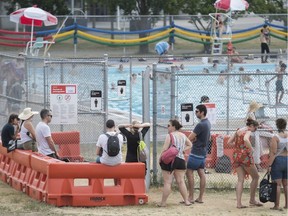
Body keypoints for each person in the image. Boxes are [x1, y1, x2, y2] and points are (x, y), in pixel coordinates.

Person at [227, 118, 263, 208]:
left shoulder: (238, 130)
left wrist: (238, 147)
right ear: (251, 126)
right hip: (245, 156)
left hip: (236, 155)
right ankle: (252, 200)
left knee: (240, 180)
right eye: (255, 128)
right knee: (256, 177)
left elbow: (229, 142)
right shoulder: (248, 131)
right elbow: (246, 139)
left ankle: (239, 203)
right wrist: (251, 149)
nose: (254, 130)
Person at [158, 119, 192, 207]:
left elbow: (165, 149)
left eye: (169, 125)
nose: (167, 127)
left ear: (173, 126)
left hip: (171, 160)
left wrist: (160, 158)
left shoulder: (170, 136)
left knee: (168, 182)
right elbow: (190, 144)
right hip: (181, 160)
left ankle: (163, 203)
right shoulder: (183, 135)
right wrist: (182, 150)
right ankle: (186, 201)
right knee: (181, 181)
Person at [186, 104, 211, 203]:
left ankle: (191, 197)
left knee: (189, 172)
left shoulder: (200, 125)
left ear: (202, 112)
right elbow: (208, 138)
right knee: (201, 173)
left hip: (196, 152)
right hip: (203, 153)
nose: (195, 113)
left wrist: (194, 139)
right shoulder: (208, 123)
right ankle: (200, 198)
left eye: (197, 111)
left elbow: (189, 138)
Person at [267, 118, 288, 210]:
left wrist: (269, 165)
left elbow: (273, 153)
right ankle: (287, 205)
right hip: (287, 159)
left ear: (277, 126)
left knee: (277, 185)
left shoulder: (275, 137)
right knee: (286, 185)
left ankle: (277, 205)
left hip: (278, 161)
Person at [246, 101, 264, 172]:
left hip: (252, 132)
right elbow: (253, 124)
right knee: (256, 148)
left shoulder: (249, 113)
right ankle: (256, 164)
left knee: (256, 148)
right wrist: (259, 125)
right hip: (253, 133)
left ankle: (256, 163)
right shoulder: (251, 114)